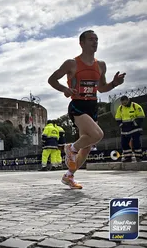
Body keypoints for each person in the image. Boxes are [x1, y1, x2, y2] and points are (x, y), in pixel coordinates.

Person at [48, 30, 126, 189]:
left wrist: (114, 84)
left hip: (92, 106)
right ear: (81, 43)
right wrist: (64, 89)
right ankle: (70, 148)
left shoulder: (101, 65)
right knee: (97, 135)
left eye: (96, 39)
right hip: (78, 105)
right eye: (91, 39)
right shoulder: (72, 64)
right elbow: (52, 79)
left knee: (87, 146)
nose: (95, 42)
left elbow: (102, 88)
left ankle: (69, 176)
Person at [115, 95, 145, 162]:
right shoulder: (120, 108)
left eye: (125, 103)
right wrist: (121, 125)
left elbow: (141, 116)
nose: (124, 105)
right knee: (124, 143)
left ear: (128, 100)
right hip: (125, 129)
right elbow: (117, 118)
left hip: (135, 128)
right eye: (122, 103)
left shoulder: (135, 106)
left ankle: (139, 157)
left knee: (136, 143)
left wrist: (134, 123)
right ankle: (127, 157)